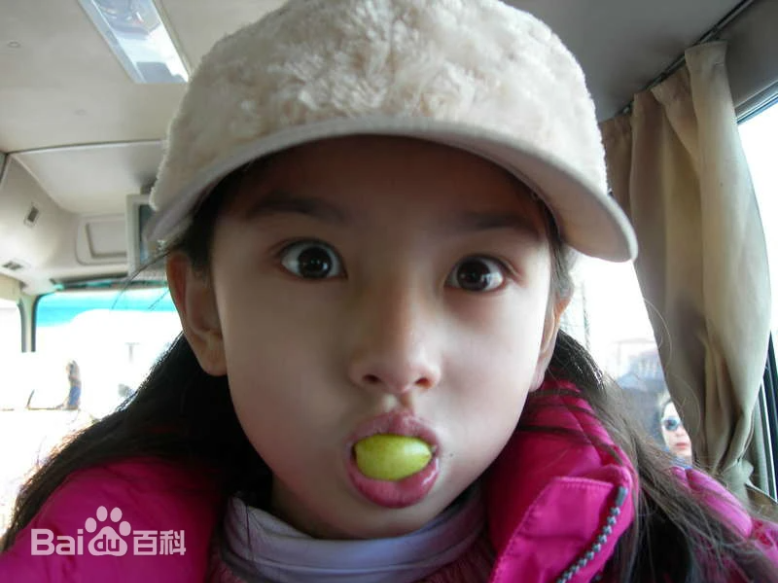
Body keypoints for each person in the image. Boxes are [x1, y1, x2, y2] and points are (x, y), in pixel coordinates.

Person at [1, 0, 777, 581]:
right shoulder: (74, 555)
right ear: (205, 313)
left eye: (476, 273)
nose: (399, 357)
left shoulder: (688, 551)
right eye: (312, 261)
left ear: (546, 331)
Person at [659, 398, 695, 467]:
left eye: (688, 423)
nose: (679, 432)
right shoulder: (651, 467)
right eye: (670, 423)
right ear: (661, 430)